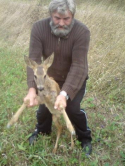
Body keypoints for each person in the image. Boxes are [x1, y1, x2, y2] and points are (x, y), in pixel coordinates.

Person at [24, 0, 92, 155]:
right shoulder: (38, 28)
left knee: (73, 109)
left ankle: (84, 137)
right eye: (57, 18)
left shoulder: (82, 32)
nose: (61, 23)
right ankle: (42, 131)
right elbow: (33, 60)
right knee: (44, 109)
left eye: (66, 19)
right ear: (50, 15)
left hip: (74, 78)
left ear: (73, 16)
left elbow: (79, 65)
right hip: (50, 79)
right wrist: (32, 89)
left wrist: (64, 94)